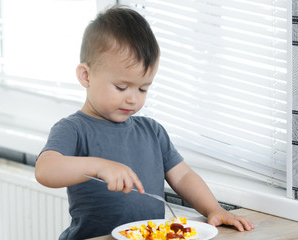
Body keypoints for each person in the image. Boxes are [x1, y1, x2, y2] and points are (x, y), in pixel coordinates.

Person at [35, 4, 254, 239]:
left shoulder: (152, 131)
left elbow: (183, 176)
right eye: (121, 87)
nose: (133, 98)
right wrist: (99, 166)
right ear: (86, 76)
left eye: (143, 88)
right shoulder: (74, 129)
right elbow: (45, 169)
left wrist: (214, 209)